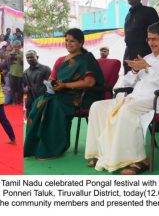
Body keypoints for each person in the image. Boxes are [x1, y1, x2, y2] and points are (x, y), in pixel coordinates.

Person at [85, 23, 159, 175]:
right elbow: (128, 83)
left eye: (154, 39)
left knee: (127, 110)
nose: (151, 43)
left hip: (157, 99)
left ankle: (139, 160)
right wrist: (135, 70)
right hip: (134, 98)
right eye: (149, 39)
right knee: (97, 106)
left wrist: (147, 67)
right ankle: (102, 153)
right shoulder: (147, 57)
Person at [24, 28, 104, 160]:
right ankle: (36, 146)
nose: (68, 43)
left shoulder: (86, 59)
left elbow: (89, 82)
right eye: (66, 40)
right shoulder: (61, 60)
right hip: (59, 93)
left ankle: (53, 148)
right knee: (39, 102)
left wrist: (65, 85)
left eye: (72, 41)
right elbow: (51, 79)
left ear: (81, 43)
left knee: (53, 105)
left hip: (79, 96)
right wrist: (53, 85)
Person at [123, 0, 159, 74]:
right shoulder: (128, 15)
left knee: (142, 80)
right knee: (128, 80)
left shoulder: (148, 11)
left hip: (144, 52)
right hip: (128, 52)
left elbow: (157, 31)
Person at [23, 50, 51, 117]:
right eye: (27, 58)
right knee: (30, 123)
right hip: (30, 102)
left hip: (43, 101)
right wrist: (25, 90)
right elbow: (24, 87)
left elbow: (50, 87)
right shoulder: (25, 72)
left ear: (37, 57)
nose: (29, 59)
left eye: (31, 57)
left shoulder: (46, 69)